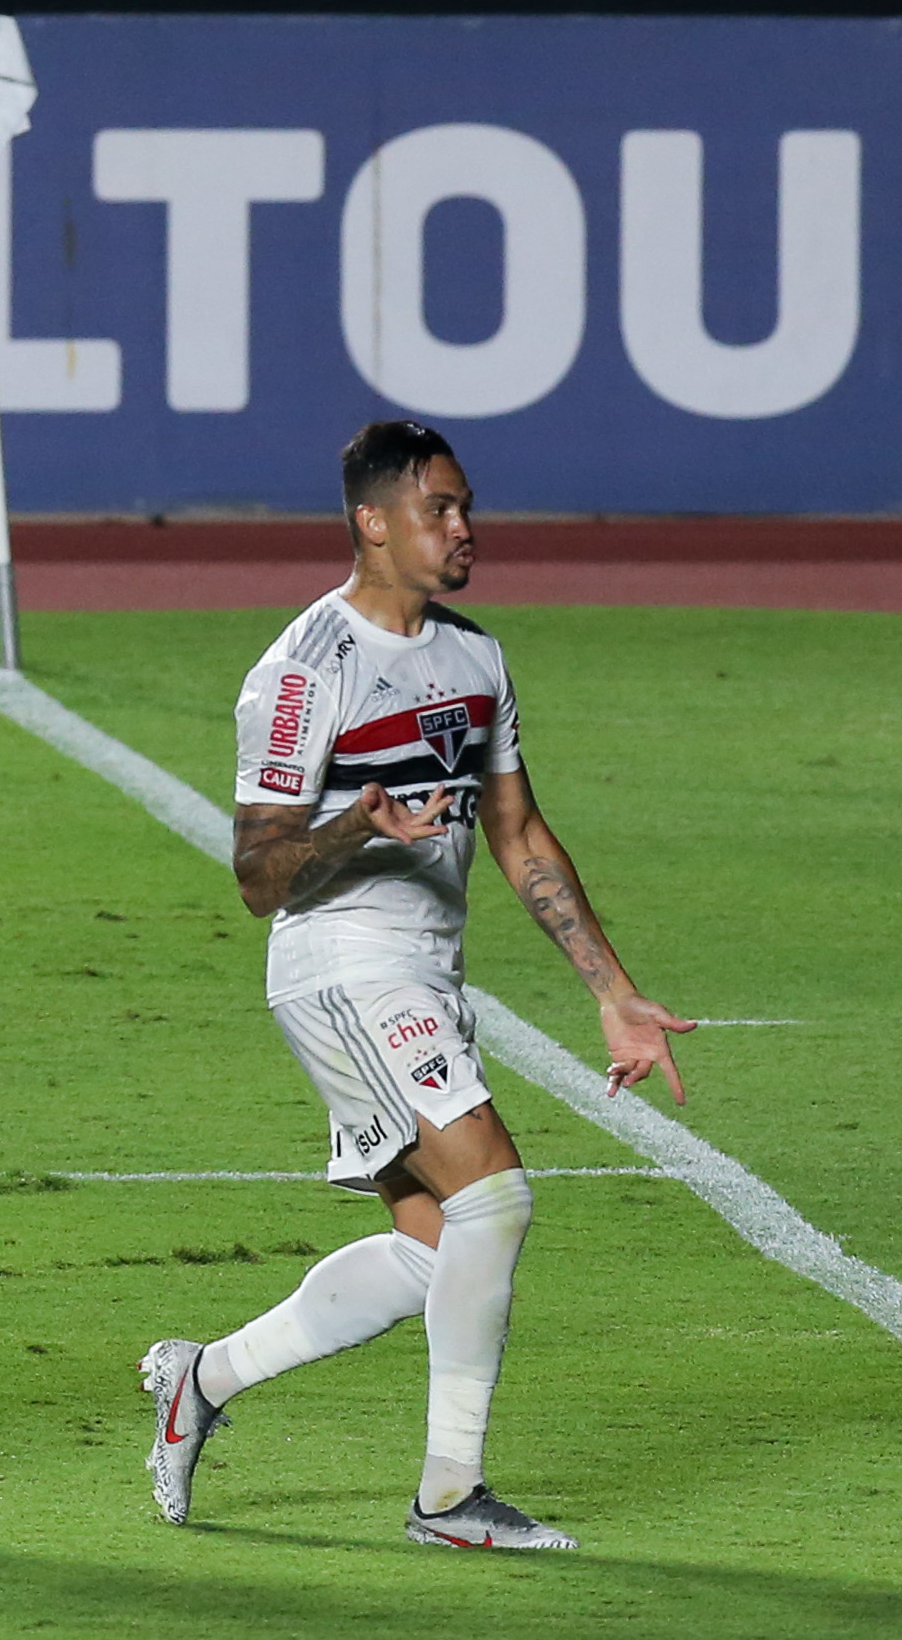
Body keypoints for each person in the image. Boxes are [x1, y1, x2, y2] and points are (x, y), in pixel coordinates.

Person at [139, 420, 694, 1552]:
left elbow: (518, 830)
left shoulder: (472, 657)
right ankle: (447, 1495)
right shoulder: (301, 671)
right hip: (339, 962)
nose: (462, 527)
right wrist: (356, 820)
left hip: (421, 971)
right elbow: (255, 874)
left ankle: (202, 1378)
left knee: (439, 1250)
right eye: (437, 508)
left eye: (464, 505)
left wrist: (610, 988)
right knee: (496, 1194)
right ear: (371, 520)